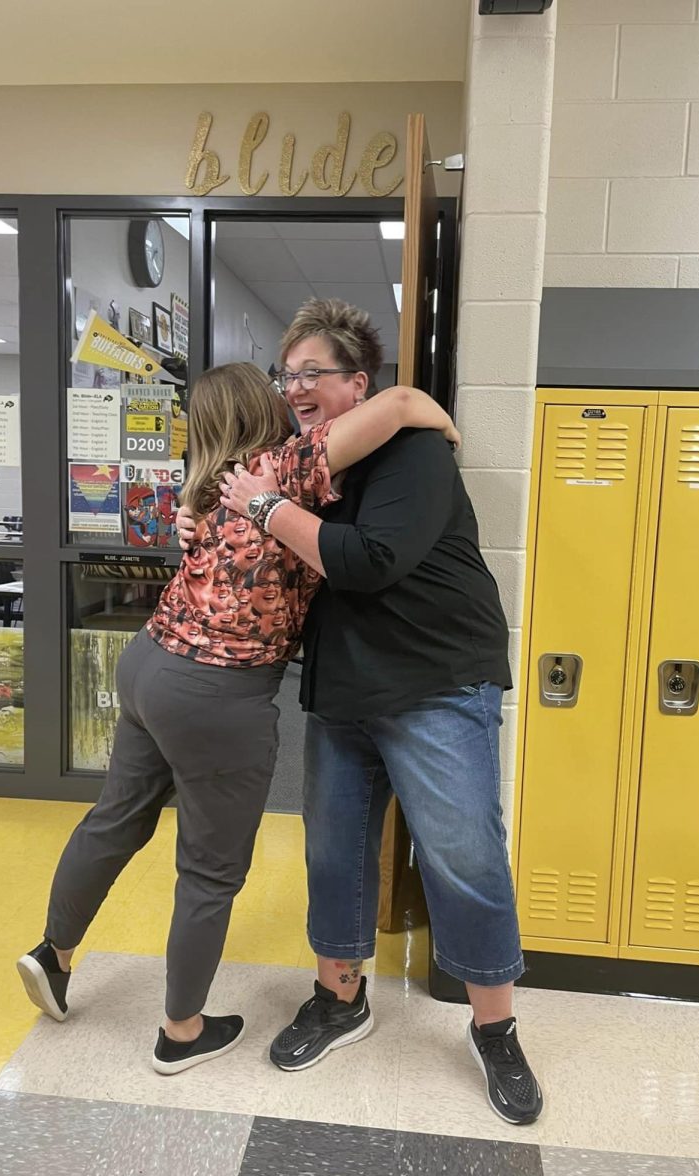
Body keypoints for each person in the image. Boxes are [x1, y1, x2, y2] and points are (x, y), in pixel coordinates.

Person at [16, 360, 459, 1077]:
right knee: (210, 872)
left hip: (148, 665)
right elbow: (402, 401)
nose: (298, 398)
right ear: (264, 407)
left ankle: (54, 955)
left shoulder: (208, 488)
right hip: (217, 695)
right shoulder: (277, 469)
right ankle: (181, 1030)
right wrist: (442, 423)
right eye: (285, 387)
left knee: (115, 818)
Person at [210, 298, 543, 1125]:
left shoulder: (411, 454)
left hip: (436, 684)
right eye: (287, 377)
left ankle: (495, 1028)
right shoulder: (305, 463)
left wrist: (266, 511)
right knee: (334, 854)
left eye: (312, 374)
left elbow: (369, 560)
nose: (296, 390)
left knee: (462, 855)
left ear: (357, 383)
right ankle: (339, 998)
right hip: (346, 691)